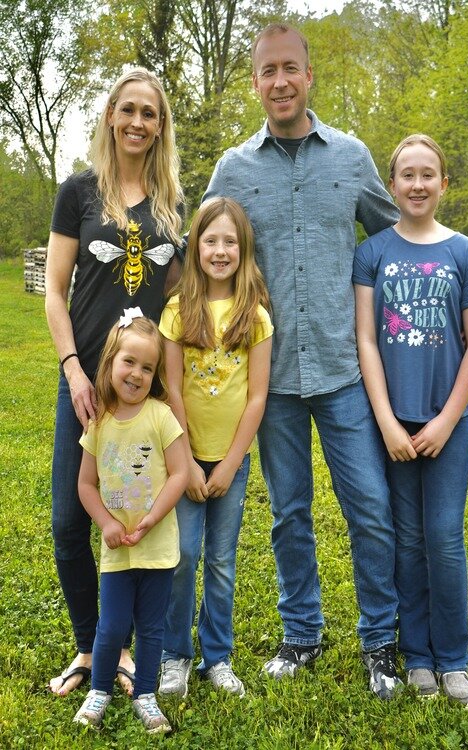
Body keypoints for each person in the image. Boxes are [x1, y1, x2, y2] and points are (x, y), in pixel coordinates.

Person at [204, 23, 403, 699]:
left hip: (346, 370)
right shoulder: (233, 169)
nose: (281, 81)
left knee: (370, 508)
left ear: (309, 76)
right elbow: (206, 256)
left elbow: (395, 238)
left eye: (292, 68)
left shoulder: (351, 157)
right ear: (256, 83)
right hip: (271, 380)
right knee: (289, 512)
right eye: (268, 72)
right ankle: (303, 633)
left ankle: (381, 642)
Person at [45, 67, 184, 696]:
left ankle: (120, 649)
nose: (136, 121)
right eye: (127, 109)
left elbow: (180, 293)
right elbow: (53, 290)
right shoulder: (78, 191)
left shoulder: (172, 202)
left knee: (135, 515)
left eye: (149, 113)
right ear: (109, 115)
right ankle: (89, 644)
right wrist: (74, 368)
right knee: (71, 520)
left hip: (143, 389)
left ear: (160, 126)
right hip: (86, 381)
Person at [353, 134, 468, 708]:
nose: (416, 184)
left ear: (443, 184)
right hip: (395, 423)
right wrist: (386, 420)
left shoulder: (464, 253)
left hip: (447, 426)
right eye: (406, 175)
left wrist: (445, 421)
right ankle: (416, 658)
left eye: (427, 174)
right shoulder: (374, 251)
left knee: (445, 538)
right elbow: (365, 337)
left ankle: (452, 658)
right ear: (392, 186)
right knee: (406, 542)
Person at [157, 198, 273, 698]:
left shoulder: (256, 315)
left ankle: (217, 657)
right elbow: (173, 389)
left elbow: (258, 396)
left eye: (230, 241)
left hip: (230, 462)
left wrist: (228, 464)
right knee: (183, 555)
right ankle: (174, 655)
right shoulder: (178, 311)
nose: (220, 250)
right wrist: (185, 461)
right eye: (210, 241)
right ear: (195, 247)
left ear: (243, 249)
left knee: (222, 561)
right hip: (182, 459)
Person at [73, 312, 188, 732]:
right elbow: (86, 484)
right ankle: (99, 690)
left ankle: (145, 695)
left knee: (151, 628)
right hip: (118, 549)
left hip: (157, 547)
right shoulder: (99, 423)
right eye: (129, 362)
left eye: (147, 367)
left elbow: (179, 473)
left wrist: (154, 517)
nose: (137, 373)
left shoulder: (160, 416)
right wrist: (105, 522)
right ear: (110, 362)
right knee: (114, 625)